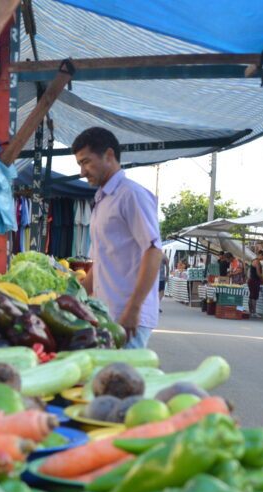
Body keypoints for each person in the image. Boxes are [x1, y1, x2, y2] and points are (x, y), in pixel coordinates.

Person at [72, 127, 162, 349]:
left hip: (128, 317)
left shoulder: (131, 194)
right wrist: (75, 297)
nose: (82, 172)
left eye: (86, 162)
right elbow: (101, 263)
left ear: (109, 155)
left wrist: (134, 310)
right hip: (108, 315)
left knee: (121, 380)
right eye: (79, 164)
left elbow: (154, 251)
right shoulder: (102, 199)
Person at [248, 250, 263, 317]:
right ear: (260, 255)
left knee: (251, 296)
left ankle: (251, 312)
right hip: (255, 280)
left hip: (251, 280)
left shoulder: (253, 260)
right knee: (254, 297)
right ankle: (254, 312)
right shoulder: (257, 262)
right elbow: (258, 273)